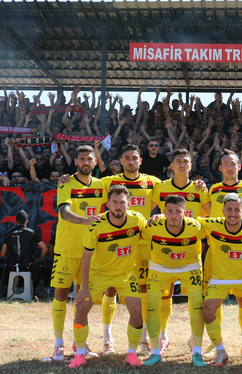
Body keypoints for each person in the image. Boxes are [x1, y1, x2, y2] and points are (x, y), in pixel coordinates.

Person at [68, 185, 147, 368]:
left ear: (128, 204)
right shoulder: (96, 224)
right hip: (98, 273)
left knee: (136, 309)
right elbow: (86, 257)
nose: (118, 206)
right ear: (108, 204)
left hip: (125, 274)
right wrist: (85, 287)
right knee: (81, 308)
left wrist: (157, 218)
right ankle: (80, 354)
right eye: (115, 202)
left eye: (122, 202)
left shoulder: (137, 220)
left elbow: (151, 231)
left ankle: (132, 354)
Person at [99, 143, 161, 355]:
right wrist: (65, 178)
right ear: (121, 161)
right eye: (127, 158)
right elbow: (86, 185)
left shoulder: (152, 182)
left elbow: (174, 192)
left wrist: (199, 184)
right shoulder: (109, 182)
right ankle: (107, 337)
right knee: (111, 288)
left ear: (140, 161)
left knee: (142, 289)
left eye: (135, 158)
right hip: (116, 243)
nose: (131, 161)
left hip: (142, 244)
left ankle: (143, 336)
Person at [150, 148, 211, 354]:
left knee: (195, 298)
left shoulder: (199, 188)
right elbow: (146, 211)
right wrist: (156, 218)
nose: (182, 164)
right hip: (163, 250)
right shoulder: (160, 188)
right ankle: (163, 335)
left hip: (191, 252)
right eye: (178, 161)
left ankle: (195, 338)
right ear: (172, 165)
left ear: (191, 166)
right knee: (164, 296)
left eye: (186, 161)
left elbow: (208, 217)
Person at [48, 145, 106, 361]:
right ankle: (58, 344)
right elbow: (64, 212)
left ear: (94, 161)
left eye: (89, 159)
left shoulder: (101, 185)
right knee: (61, 296)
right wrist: (86, 220)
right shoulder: (66, 183)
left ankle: (79, 342)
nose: (85, 162)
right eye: (81, 159)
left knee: (83, 300)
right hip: (66, 250)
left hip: (89, 252)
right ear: (75, 162)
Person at [199, 193, 242, 367]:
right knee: (207, 311)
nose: (233, 213)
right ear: (223, 211)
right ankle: (221, 351)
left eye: (236, 210)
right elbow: (186, 220)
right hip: (220, 278)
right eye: (229, 209)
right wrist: (161, 215)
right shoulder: (211, 224)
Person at [204, 149, 242, 358]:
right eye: (225, 164)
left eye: (233, 164)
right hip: (217, 250)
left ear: (239, 167)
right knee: (213, 299)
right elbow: (206, 214)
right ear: (220, 168)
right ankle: (215, 344)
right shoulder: (213, 189)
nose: (229, 167)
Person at [140, 194, 207, 366]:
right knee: (152, 304)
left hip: (189, 267)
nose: (174, 216)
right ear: (164, 212)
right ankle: (155, 352)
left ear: (185, 212)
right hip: (160, 267)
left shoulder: (195, 226)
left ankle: (197, 352)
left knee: (197, 303)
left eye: (178, 211)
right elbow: (139, 237)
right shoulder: (154, 226)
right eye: (170, 211)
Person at [0, 210, 47, 290]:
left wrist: (12, 260)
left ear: (15, 221)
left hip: (12, 266)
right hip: (28, 265)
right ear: (27, 221)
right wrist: (38, 260)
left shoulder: (8, 234)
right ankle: (32, 290)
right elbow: (44, 248)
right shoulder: (31, 233)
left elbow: (3, 253)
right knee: (40, 266)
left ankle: (10, 289)